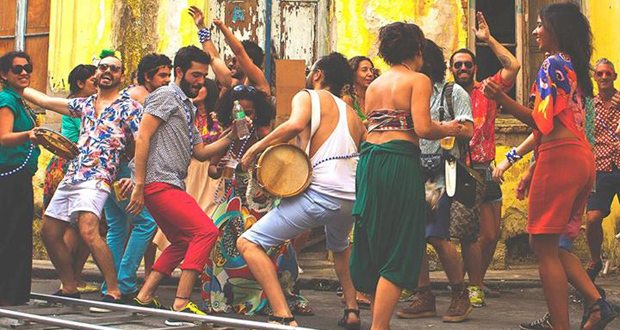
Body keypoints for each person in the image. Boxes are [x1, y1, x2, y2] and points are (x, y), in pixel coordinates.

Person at [483, 3, 617, 329]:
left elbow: (542, 123)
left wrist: (503, 101)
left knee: (543, 247)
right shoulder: (578, 71)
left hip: (560, 157)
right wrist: (530, 168)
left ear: (556, 29)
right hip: (581, 160)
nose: (534, 31)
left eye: (541, 25)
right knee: (548, 244)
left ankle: (561, 325)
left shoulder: (553, 64)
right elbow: (566, 124)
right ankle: (597, 303)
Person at [237, 52, 365, 328]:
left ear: (318, 74)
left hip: (321, 194)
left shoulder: (307, 96)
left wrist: (255, 150)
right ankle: (352, 310)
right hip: (350, 199)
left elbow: (294, 125)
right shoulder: (352, 113)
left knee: (247, 243)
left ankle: (282, 315)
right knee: (341, 248)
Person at [348, 23, 462, 330]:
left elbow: (371, 127)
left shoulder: (374, 86)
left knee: (377, 238)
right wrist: (449, 128)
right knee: (403, 242)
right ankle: (379, 326)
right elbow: (424, 129)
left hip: (370, 161)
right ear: (418, 49)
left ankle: (378, 320)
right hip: (400, 161)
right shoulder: (418, 80)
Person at [127, 46, 236, 325]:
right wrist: (139, 184)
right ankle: (181, 304)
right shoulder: (165, 95)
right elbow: (143, 138)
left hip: (171, 184)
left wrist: (233, 135)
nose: (200, 81)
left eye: (203, 76)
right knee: (206, 231)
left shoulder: (186, 106)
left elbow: (200, 153)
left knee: (183, 241)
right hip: (158, 182)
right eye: (195, 75)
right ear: (179, 72)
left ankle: (145, 295)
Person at [23, 55, 141, 306]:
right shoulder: (85, 104)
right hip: (73, 173)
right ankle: (69, 286)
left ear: (122, 76)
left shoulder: (129, 106)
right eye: (103, 67)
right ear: (97, 73)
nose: (107, 71)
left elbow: (143, 143)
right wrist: (14, 85)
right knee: (49, 232)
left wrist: (135, 177)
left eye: (114, 69)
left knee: (89, 230)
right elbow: (45, 101)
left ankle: (114, 291)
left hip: (99, 176)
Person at [202, 85, 312, 317]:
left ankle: (280, 297)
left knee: (280, 246)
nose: (245, 117)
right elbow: (211, 169)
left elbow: (285, 164)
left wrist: (266, 186)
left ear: (258, 112)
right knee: (220, 242)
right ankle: (233, 297)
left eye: (249, 112)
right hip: (233, 201)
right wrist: (217, 167)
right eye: (239, 112)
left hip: (264, 202)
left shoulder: (265, 135)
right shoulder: (227, 136)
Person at [396, 38, 475, 323]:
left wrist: (441, 128)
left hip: (436, 175)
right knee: (415, 235)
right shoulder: (411, 92)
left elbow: (466, 130)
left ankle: (460, 294)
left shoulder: (452, 93)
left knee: (435, 234)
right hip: (412, 171)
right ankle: (424, 295)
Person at [448, 11, 521, 303]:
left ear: (474, 67)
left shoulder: (487, 90)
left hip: (485, 168)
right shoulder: (446, 95)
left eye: (467, 63)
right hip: (458, 170)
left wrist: (488, 39)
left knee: (490, 235)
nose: (463, 67)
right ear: (451, 69)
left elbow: (513, 65)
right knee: (462, 235)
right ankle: (468, 286)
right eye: (458, 64)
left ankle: (474, 281)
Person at [42, 64, 99, 295]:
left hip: (60, 167)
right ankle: (71, 278)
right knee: (77, 226)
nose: (98, 86)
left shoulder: (75, 105)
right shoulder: (81, 107)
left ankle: (70, 279)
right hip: (73, 168)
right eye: (94, 82)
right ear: (80, 84)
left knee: (67, 224)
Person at [0, 51, 42, 306]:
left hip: (19, 174)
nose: (25, 72)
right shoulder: (7, 100)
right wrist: (29, 135)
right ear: (5, 74)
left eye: (28, 67)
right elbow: (3, 137)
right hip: (9, 176)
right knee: (11, 233)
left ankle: (12, 292)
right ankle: (8, 294)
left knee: (15, 233)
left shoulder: (20, 99)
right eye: (18, 69)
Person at [585, 58, 620, 283]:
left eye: (608, 74)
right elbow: (585, 134)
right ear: (595, 78)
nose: (604, 77)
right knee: (593, 218)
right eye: (600, 74)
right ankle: (595, 259)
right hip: (601, 167)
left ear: (615, 77)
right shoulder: (590, 105)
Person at [184, 79, 223, 216]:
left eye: (200, 87)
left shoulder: (219, 116)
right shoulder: (187, 115)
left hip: (211, 170)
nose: (195, 90)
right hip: (191, 170)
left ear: (210, 90)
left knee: (208, 212)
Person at [342, 56, 377, 121]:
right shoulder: (347, 99)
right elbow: (350, 127)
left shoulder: (373, 98)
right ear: (353, 73)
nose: (370, 74)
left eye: (371, 70)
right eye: (364, 70)